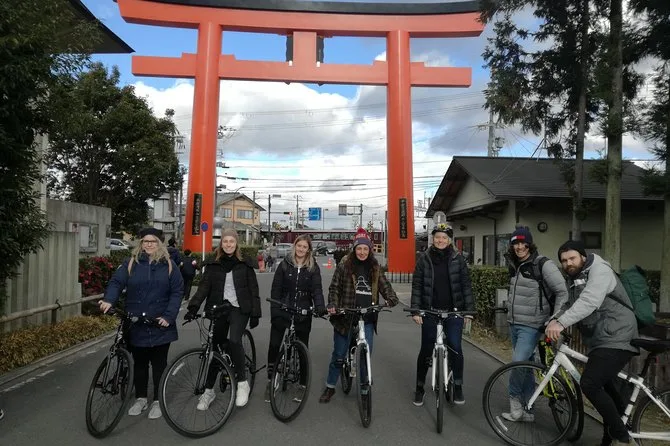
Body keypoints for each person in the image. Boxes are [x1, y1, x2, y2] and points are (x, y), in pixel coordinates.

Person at [546, 240, 639, 446]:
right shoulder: (575, 277)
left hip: (618, 336)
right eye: (564, 260)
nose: (568, 263)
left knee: (589, 383)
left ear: (583, 256)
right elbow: (570, 304)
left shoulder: (600, 270)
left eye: (572, 258)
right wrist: (551, 321)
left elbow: (589, 301)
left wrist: (561, 323)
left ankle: (622, 436)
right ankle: (610, 437)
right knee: (607, 388)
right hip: (603, 339)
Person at [100, 227, 183, 420]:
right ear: (141, 243)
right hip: (136, 321)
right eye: (146, 241)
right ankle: (141, 398)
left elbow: (177, 292)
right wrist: (109, 300)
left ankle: (158, 401)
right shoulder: (131, 263)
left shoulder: (169, 266)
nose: (149, 245)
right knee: (140, 363)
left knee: (159, 364)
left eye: (153, 241)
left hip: (160, 322)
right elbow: (116, 282)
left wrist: (168, 316)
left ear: (159, 244)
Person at [319, 228, 399, 403]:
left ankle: (364, 389)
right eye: (359, 248)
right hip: (345, 316)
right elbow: (334, 288)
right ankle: (330, 386)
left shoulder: (375, 267)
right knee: (339, 355)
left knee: (365, 355)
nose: (362, 252)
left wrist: (391, 298)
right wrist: (333, 304)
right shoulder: (344, 266)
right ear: (354, 249)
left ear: (369, 249)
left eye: (365, 249)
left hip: (367, 317)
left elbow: (385, 286)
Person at [186, 228, 261, 409]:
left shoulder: (244, 264)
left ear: (236, 244)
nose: (228, 244)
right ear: (221, 243)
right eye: (225, 241)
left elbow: (253, 289)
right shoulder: (213, 264)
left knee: (235, 340)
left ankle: (242, 383)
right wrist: (193, 307)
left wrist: (255, 313)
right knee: (216, 350)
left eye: (231, 241)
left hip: (239, 308)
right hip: (218, 309)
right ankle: (208, 391)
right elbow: (203, 287)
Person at [502, 226, 568, 421]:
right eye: (515, 243)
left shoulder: (543, 264)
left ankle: (515, 403)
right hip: (514, 322)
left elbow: (562, 292)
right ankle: (528, 409)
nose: (519, 247)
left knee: (518, 363)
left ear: (530, 244)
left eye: (523, 243)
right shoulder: (514, 264)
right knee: (527, 366)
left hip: (532, 324)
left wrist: (555, 319)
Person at [410, 223, 475, 407]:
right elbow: (417, 285)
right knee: (426, 349)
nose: (440, 240)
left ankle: (458, 385)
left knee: (455, 347)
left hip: (454, 312)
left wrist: (468, 311)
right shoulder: (424, 259)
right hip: (430, 311)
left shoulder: (458, 259)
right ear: (433, 239)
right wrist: (416, 310)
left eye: (444, 237)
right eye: (437, 237)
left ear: (449, 240)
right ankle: (420, 387)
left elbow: (466, 286)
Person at [265, 235, 326, 402]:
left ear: (309, 250)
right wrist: (275, 309)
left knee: (302, 349)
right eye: (299, 246)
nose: (301, 249)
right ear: (295, 246)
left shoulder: (313, 267)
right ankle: (271, 380)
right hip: (283, 308)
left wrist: (320, 306)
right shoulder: (284, 264)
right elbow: (276, 288)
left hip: (303, 312)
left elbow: (317, 290)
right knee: (274, 344)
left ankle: (302, 385)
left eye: (304, 247)